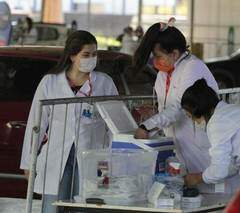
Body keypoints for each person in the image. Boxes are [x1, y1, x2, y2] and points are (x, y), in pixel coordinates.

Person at [20, 30, 118, 213]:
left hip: (93, 155)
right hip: (57, 156)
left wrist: (113, 159)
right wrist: (28, 163)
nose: (92, 59)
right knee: (52, 206)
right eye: (86, 55)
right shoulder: (50, 82)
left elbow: (114, 126)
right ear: (72, 56)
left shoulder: (104, 83)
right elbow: (36, 123)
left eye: (95, 54)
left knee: (84, 206)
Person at [133, 19, 219, 193]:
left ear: (174, 53)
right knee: (188, 194)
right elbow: (167, 108)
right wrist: (154, 112)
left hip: (200, 145)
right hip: (179, 145)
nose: (155, 61)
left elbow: (179, 107)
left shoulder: (192, 67)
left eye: (158, 56)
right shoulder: (164, 73)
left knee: (211, 192)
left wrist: (147, 126)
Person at [181, 79, 240, 193]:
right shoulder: (233, 111)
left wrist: (197, 178)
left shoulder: (217, 122)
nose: (194, 122)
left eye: (191, 117)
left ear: (199, 110)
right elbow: (231, 166)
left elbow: (219, 171)